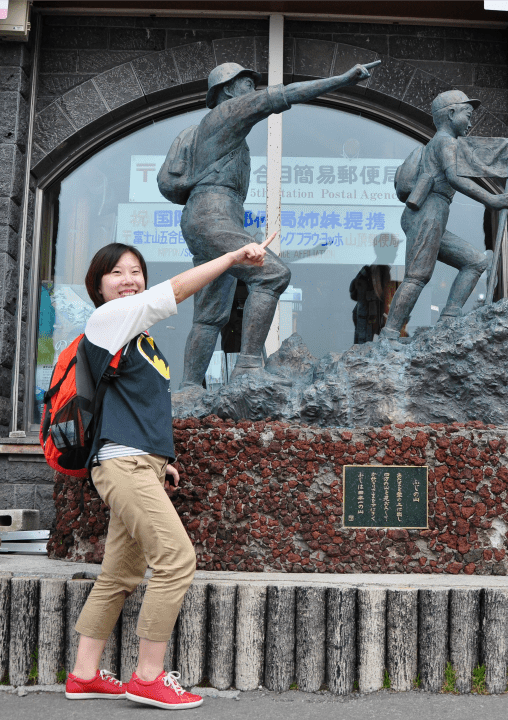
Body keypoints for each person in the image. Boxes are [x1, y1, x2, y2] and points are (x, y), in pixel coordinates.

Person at [65, 236, 272, 709]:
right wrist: (235, 257)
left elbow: (138, 407)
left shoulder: (139, 339)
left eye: (135, 271)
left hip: (138, 462)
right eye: (116, 272)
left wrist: (164, 459)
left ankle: (83, 673)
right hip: (123, 463)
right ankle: (148, 676)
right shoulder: (110, 318)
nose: (129, 279)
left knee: (120, 574)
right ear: (98, 286)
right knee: (177, 560)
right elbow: (178, 289)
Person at [171, 60, 378, 388]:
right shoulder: (227, 113)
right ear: (227, 89)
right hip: (213, 216)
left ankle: (189, 388)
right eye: (246, 83)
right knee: (273, 274)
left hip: (207, 219)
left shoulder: (212, 131)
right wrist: (341, 78)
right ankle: (248, 366)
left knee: (210, 313)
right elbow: (284, 95)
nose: (253, 89)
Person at [378, 90, 508, 340]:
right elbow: (455, 178)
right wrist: (491, 199)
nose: (471, 122)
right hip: (428, 213)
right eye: (467, 114)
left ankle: (449, 318)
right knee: (417, 276)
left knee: (475, 261)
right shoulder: (445, 141)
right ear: (451, 114)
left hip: (433, 215)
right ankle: (388, 335)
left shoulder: (442, 142)